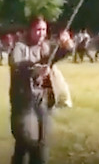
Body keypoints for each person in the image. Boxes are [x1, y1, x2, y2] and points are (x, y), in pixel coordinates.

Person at [9, 17, 74, 164]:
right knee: (27, 140)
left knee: (41, 146)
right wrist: (36, 70)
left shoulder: (45, 47)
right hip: (24, 102)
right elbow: (18, 66)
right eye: (38, 30)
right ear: (30, 31)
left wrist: (67, 43)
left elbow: (60, 54)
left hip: (43, 101)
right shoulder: (20, 47)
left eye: (44, 30)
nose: (41, 33)